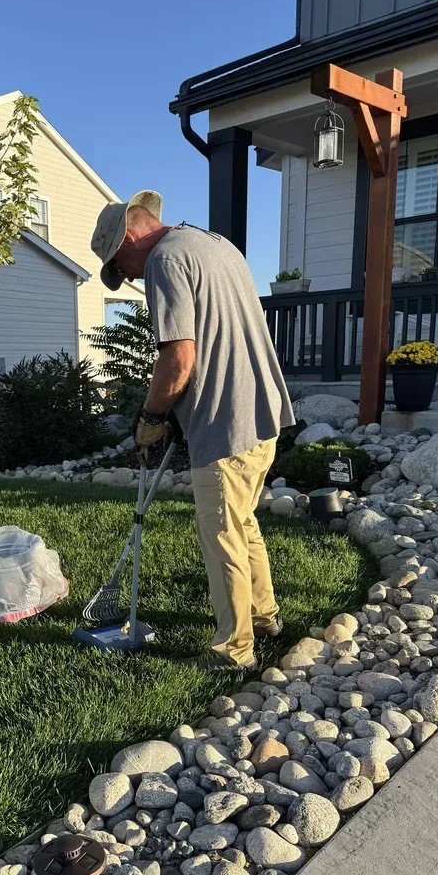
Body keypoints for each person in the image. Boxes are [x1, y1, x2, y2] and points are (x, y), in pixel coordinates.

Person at [91, 190, 294, 670]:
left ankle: (234, 650)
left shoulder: (164, 260)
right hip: (263, 411)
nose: (129, 278)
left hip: (226, 421)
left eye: (121, 266)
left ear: (129, 238)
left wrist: (152, 417)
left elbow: (178, 360)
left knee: (220, 531)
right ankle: (264, 617)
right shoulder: (214, 244)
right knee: (242, 522)